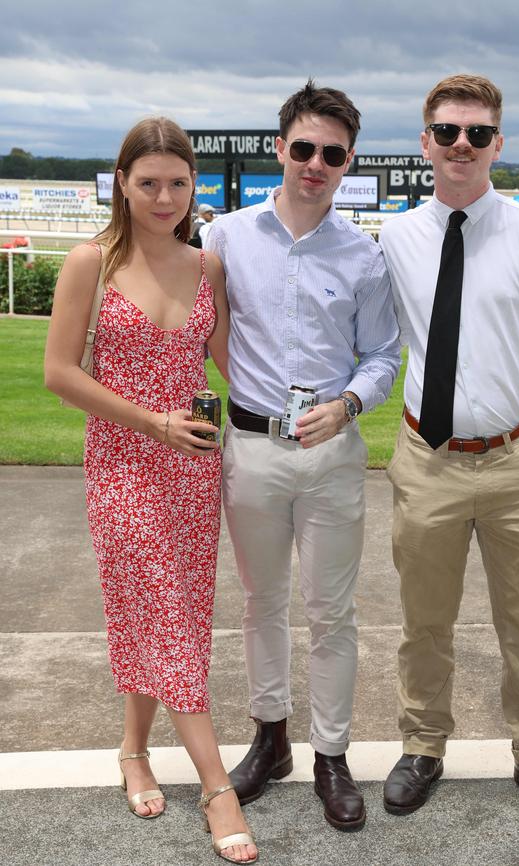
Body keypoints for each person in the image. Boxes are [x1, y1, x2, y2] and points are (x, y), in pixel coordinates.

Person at [379, 73, 519, 829]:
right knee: (423, 622)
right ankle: (422, 746)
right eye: (447, 131)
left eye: (476, 132)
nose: (461, 144)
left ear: (498, 142)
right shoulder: (398, 238)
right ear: (426, 142)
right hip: (427, 459)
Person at [44, 117, 257, 864]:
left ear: (193, 182)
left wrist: (307, 402)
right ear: (121, 184)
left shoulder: (209, 268)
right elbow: (61, 373)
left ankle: (134, 751)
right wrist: (149, 423)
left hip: (195, 466)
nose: (164, 197)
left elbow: (230, 361)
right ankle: (217, 786)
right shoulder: (89, 264)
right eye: (148, 183)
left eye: (177, 182)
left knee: (171, 615)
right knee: (163, 609)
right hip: (123, 462)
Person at [205, 79, 400, 832]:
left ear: (347, 162)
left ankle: (332, 755)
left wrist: (347, 404)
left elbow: (383, 354)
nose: (315, 163)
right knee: (261, 603)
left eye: (333, 154)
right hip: (251, 448)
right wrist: (244, 393)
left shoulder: (362, 253)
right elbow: (211, 325)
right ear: (279, 147)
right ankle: (269, 739)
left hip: (331, 452)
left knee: (332, 612)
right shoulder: (226, 234)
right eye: (304, 148)